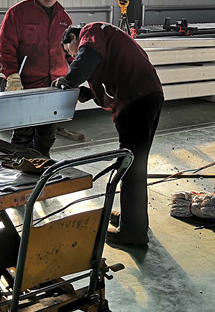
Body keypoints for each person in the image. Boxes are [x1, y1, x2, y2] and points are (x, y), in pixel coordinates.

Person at [53, 22, 164, 247]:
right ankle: (133, 219)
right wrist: (86, 93)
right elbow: (103, 91)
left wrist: (69, 80)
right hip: (149, 97)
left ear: (73, 37)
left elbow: (87, 57)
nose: (72, 57)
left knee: (130, 168)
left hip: (136, 102)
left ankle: (133, 233)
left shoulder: (91, 31)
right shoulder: (107, 44)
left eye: (69, 51)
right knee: (135, 165)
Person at [0, 0, 72, 157]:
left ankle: (42, 163)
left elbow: (70, 52)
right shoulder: (17, 13)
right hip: (27, 85)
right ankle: (19, 166)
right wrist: (12, 76)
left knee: (48, 134)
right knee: (23, 134)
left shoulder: (64, 18)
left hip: (55, 85)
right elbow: (6, 47)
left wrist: (75, 75)